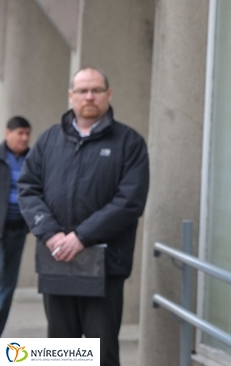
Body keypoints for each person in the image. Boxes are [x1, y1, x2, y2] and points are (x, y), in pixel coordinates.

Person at [18, 67, 149, 366]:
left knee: (101, 352)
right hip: (57, 260)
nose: (89, 96)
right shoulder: (49, 140)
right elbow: (28, 189)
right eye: (82, 90)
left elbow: (130, 201)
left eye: (96, 90)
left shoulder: (129, 143)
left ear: (108, 94)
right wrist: (50, 233)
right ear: (71, 95)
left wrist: (81, 236)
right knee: (61, 352)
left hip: (105, 265)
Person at [0, 116, 31, 335]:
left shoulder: (33, 159)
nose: (24, 138)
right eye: (20, 133)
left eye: (27, 134)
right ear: (7, 133)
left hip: (17, 231)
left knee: (8, 284)